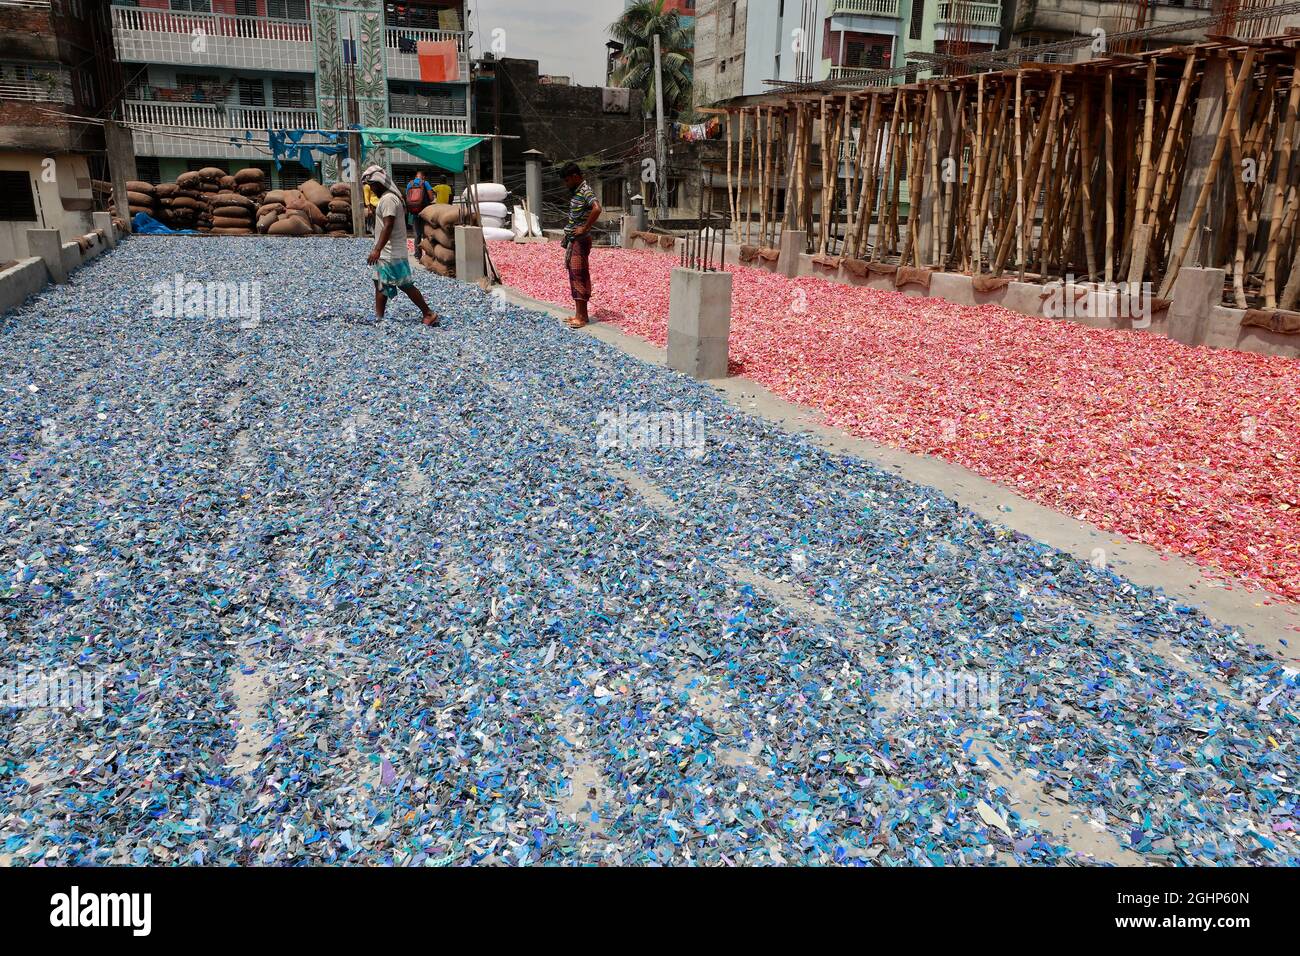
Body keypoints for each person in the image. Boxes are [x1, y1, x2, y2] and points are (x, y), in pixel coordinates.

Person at [362, 164, 439, 327]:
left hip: (391, 252)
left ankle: (428, 313)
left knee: (401, 284)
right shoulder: (388, 198)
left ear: (380, 183)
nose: (372, 189)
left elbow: (388, 225)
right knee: (380, 282)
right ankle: (379, 318)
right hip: (389, 251)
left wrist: (377, 249)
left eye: (373, 185)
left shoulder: (388, 199)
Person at [560, 161, 601, 329]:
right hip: (575, 240)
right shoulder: (577, 192)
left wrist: (585, 227)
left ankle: (581, 317)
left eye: (568, 180)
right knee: (576, 275)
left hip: (581, 240)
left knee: (578, 276)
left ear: (575, 177)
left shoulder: (585, 191)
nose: (566, 184)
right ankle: (580, 314)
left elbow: (597, 209)